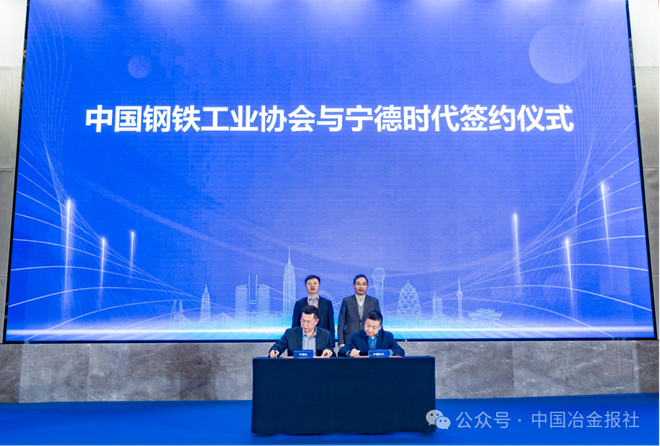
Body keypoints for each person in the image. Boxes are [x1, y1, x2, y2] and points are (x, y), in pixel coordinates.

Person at [270, 305, 335, 358]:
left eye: (308, 322)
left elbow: (331, 351)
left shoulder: (326, 335)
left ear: (316, 321)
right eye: (303, 321)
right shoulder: (290, 333)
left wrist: (329, 351)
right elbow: (278, 346)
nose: (305, 324)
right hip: (296, 367)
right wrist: (274, 351)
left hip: (318, 367)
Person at [337, 274, 380, 348]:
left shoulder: (374, 301)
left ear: (367, 286)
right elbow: (341, 324)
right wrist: (341, 343)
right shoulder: (346, 301)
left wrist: (380, 342)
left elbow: (378, 322)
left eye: (364, 284)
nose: (361, 287)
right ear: (353, 285)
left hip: (369, 340)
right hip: (350, 341)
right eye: (358, 284)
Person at [338, 311, 404, 357]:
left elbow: (400, 351)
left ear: (380, 327)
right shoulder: (356, 335)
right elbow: (341, 351)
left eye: (374, 327)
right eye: (368, 326)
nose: (370, 330)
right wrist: (350, 353)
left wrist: (388, 352)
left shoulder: (387, 336)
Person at [291, 275, 335, 343]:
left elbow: (331, 325)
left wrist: (331, 343)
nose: (312, 286)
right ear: (306, 287)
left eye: (315, 283)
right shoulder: (299, 304)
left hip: (323, 340)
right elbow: (295, 325)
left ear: (319, 286)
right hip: (304, 340)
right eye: (309, 284)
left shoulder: (327, 303)